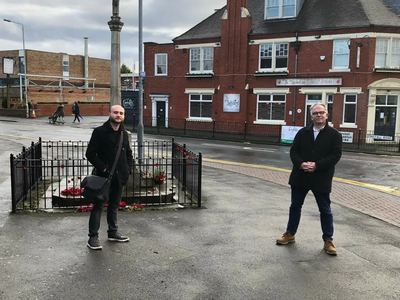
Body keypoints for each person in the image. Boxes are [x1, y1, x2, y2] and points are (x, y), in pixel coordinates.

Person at [276, 103, 342, 255]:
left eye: (321, 112)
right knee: (295, 206)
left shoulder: (335, 135)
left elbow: (335, 156)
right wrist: (301, 164)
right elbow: (294, 152)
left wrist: (316, 166)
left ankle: (328, 240)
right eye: (315, 113)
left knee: (325, 210)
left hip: (321, 178)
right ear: (311, 116)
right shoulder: (302, 133)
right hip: (300, 176)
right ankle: (290, 233)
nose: (318, 115)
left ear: (327, 115)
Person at [85, 105, 133, 250]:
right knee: (98, 207)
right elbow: (90, 154)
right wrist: (104, 168)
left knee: (114, 206)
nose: (118, 115)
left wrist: (127, 170)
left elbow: (128, 154)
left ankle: (112, 232)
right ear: (110, 114)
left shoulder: (123, 133)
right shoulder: (99, 132)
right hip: (104, 177)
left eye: (121, 113)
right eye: (116, 112)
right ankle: (93, 237)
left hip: (120, 177)